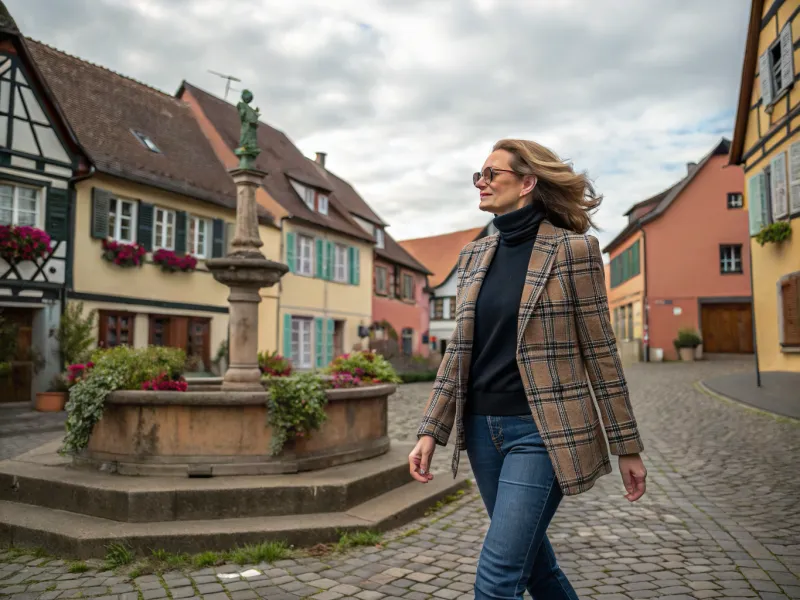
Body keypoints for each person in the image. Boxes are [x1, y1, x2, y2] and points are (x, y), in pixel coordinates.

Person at [408, 139, 647, 600]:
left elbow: (601, 352)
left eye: (491, 173)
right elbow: (459, 350)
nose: (481, 182)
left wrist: (627, 447)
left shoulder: (574, 251)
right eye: (478, 174)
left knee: (498, 578)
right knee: (535, 568)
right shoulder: (474, 256)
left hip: (542, 431)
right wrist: (429, 431)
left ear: (527, 183)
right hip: (480, 431)